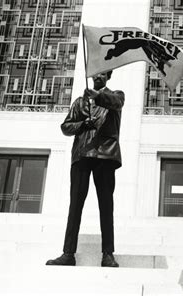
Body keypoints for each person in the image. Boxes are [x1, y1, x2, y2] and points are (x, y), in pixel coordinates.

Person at [46, 70, 124, 268]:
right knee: (75, 205)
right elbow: (66, 127)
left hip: (105, 155)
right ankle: (68, 253)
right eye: (95, 74)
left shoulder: (116, 95)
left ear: (109, 77)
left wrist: (97, 96)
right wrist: (83, 124)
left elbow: (116, 103)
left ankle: (108, 254)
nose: (98, 77)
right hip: (81, 155)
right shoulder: (80, 102)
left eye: (102, 75)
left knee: (106, 206)